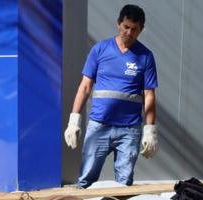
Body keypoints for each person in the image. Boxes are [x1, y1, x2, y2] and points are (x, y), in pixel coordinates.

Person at [64, 4, 158, 188]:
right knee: (85, 181)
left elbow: (149, 95)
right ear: (118, 24)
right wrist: (74, 119)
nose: (129, 33)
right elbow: (85, 86)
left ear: (141, 30)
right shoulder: (100, 49)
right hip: (99, 125)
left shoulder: (146, 56)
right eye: (126, 27)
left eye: (134, 29)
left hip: (129, 131)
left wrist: (150, 130)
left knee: (123, 184)